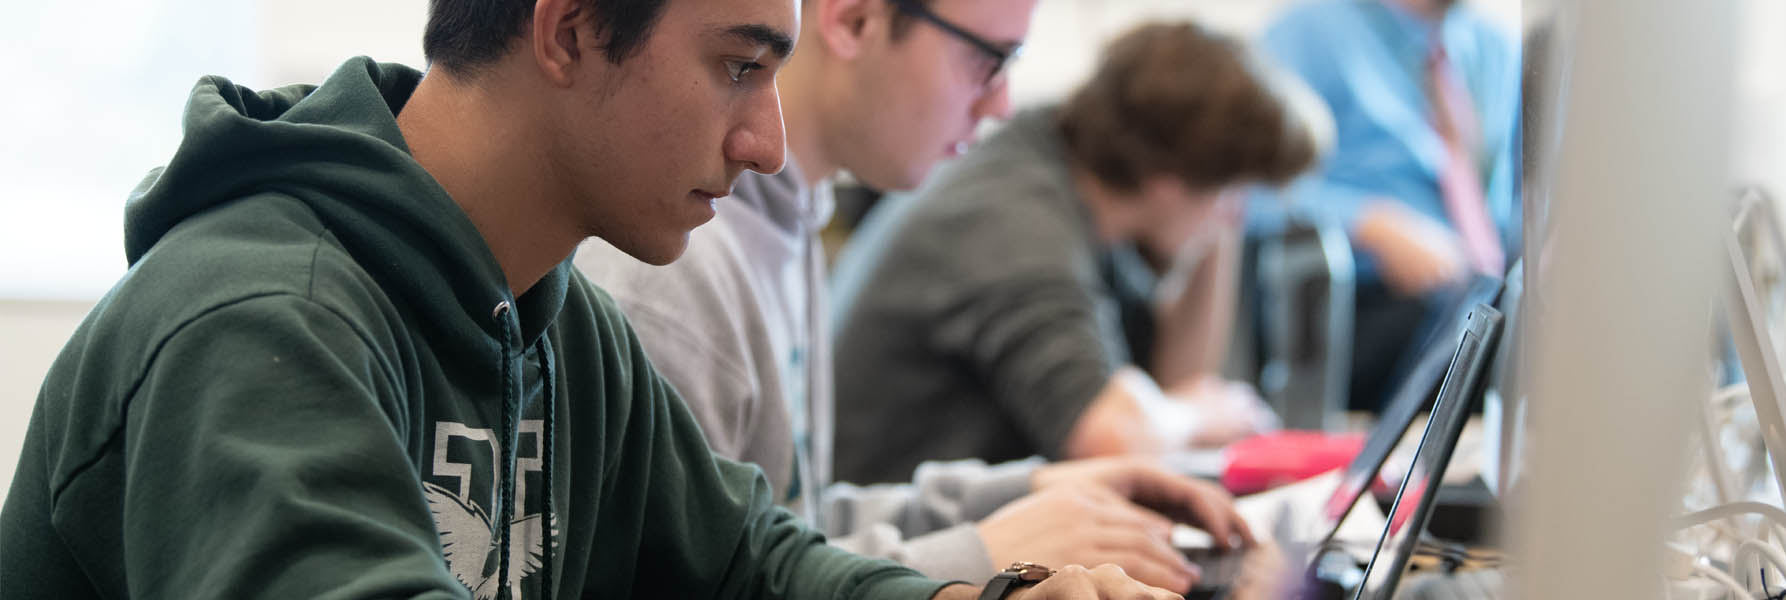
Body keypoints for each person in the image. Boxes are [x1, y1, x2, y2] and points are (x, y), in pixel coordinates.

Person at [0, 0, 1178, 598]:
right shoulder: (259, 321)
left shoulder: (560, 324)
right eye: (738, 66)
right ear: (567, 30)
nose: (768, 144)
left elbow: (751, 567)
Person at [574, 0, 1249, 593]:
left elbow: (788, 522)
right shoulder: (679, 261)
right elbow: (721, 579)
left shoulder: (787, 217)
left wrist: (1026, 494)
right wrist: (983, 554)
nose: (1001, 105)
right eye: (987, 59)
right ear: (855, 20)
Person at [829, 22, 1325, 486]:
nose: (1233, 215)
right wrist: (1194, 414)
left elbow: (1175, 380)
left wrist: (1213, 232)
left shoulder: (1069, 172)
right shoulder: (1018, 224)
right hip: (891, 526)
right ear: (1168, 181)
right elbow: (1111, 441)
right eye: (1232, 190)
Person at [1258, 0, 1520, 410]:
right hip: (1369, 302)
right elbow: (1249, 193)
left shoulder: (1496, 48)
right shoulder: (1309, 33)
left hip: (1480, 292)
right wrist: (1368, 223)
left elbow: (1514, 198)